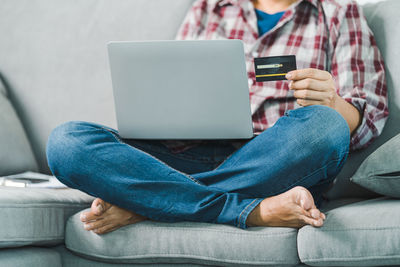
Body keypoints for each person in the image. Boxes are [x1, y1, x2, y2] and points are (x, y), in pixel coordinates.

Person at [46, 0, 388, 235]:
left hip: (271, 159)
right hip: (181, 155)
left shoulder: (338, 11)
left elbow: (369, 114)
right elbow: (170, 87)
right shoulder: (208, 8)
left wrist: (332, 101)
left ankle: (152, 204)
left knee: (325, 126)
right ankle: (254, 211)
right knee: (67, 141)